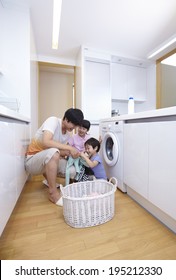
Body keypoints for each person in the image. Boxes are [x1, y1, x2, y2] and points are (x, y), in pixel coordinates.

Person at [25, 108, 84, 206]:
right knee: (54, 153)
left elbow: (59, 152)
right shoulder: (53, 121)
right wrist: (69, 147)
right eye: (73, 125)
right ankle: (53, 194)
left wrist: (70, 153)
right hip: (32, 161)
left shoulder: (68, 135)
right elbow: (46, 141)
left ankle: (48, 179)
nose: (74, 128)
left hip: (45, 160)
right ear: (66, 119)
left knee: (72, 170)